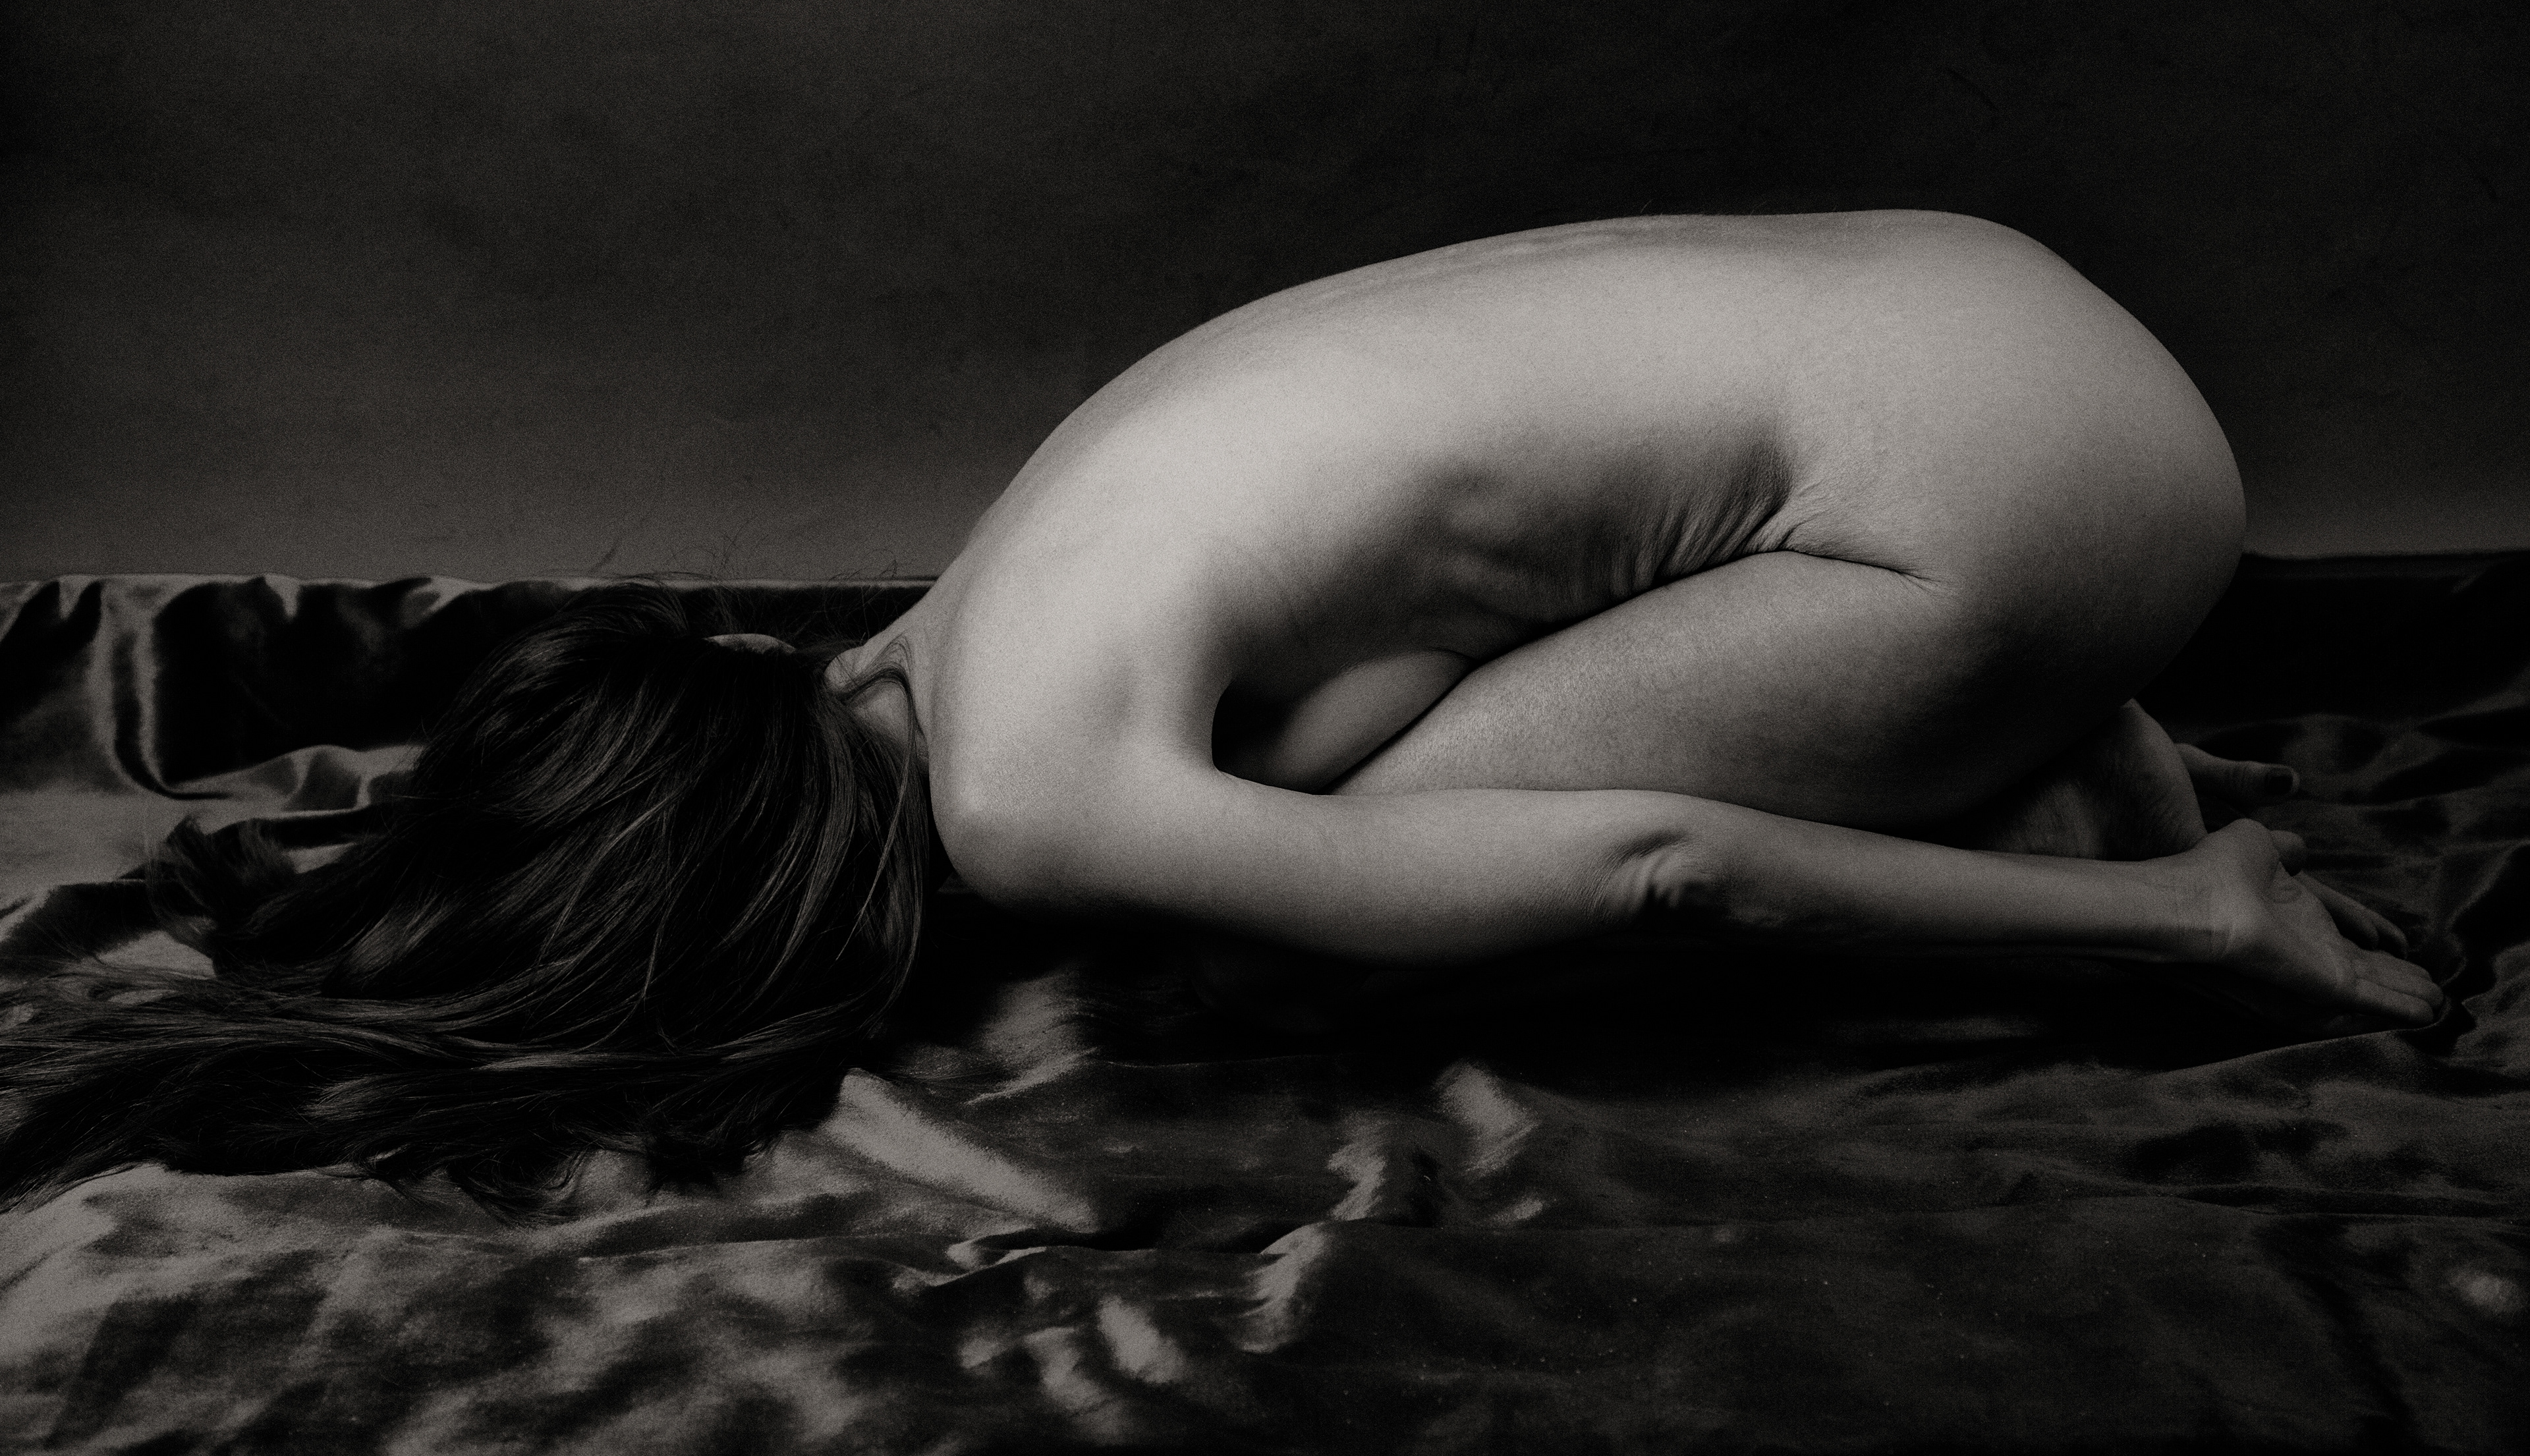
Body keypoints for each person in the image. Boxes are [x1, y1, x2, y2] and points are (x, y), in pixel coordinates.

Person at [0, 212, 2442, 1216]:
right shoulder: (954, 620)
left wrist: (2183, 934)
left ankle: (2131, 842)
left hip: (2024, 508)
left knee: (1368, 898)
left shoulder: (1029, 787)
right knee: (1362, 781)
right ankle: (2048, 727)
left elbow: (1660, 864)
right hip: (2002, 316)